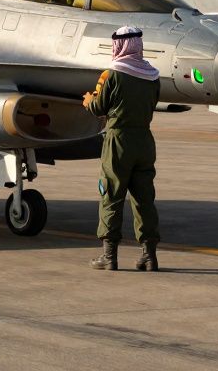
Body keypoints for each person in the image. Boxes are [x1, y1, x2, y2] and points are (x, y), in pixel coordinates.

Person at [83, 26, 161, 271]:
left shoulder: (113, 75)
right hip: (145, 141)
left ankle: (109, 256)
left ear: (119, 45)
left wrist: (88, 101)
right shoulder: (152, 76)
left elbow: (99, 107)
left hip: (119, 141)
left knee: (111, 196)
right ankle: (149, 256)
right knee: (144, 199)